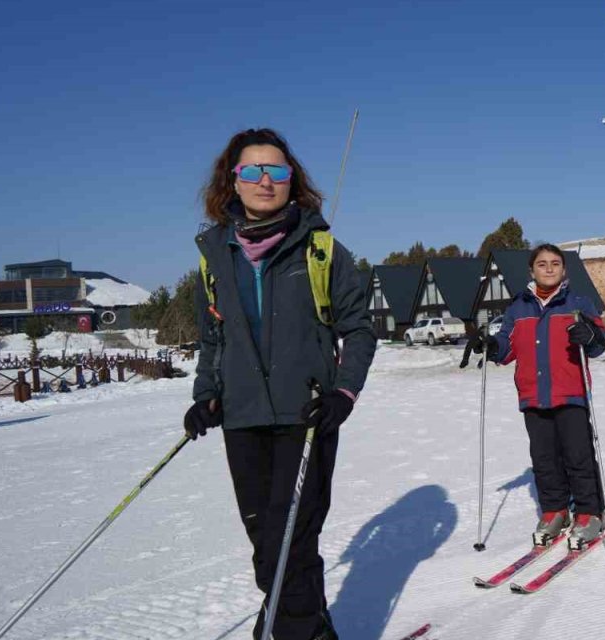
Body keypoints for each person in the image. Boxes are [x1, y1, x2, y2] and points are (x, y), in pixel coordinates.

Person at [184, 128, 376, 640]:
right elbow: (213, 338)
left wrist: (343, 392)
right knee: (268, 544)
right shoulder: (214, 256)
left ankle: (290, 632)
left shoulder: (322, 249)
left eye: (277, 170)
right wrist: (205, 395)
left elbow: (358, 329)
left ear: (293, 180)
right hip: (243, 417)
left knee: (294, 538)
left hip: (306, 415)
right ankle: (311, 629)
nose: (265, 181)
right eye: (252, 171)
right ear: (233, 180)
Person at [465, 244, 605, 549]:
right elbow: (507, 347)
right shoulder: (518, 308)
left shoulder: (578, 303)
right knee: (543, 458)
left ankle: (589, 512)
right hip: (533, 394)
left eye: (555, 263)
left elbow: (599, 344)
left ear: (564, 269)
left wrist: (590, 336)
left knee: (578, 455)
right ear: (531, 271)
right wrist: (492, 346)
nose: (548, 268)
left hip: (571, 392)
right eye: (542, 264)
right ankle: (555, 510)